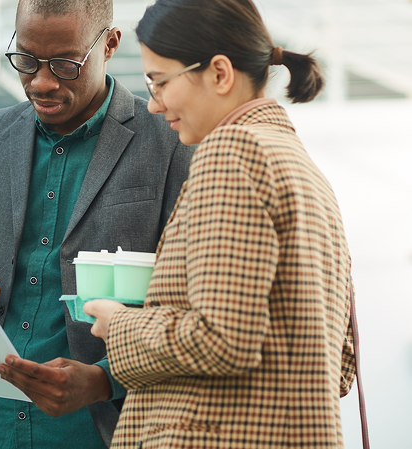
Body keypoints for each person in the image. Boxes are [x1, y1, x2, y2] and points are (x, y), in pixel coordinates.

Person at [84, 0, 356, 447]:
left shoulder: (232, 154)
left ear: (220, 74)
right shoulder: (303, 168)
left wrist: (120, 325)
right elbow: (340, 365)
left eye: (159, 82)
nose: (153, 105)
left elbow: (221, 338)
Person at [0, 0, 195, 447]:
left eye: (64, 64)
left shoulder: (170, 141)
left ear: (110, 45)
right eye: (26, 59)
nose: (40, 82)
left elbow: (192, 307)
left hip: (106, 428)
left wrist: (104, 378)